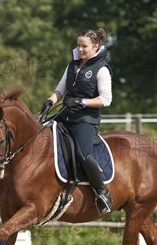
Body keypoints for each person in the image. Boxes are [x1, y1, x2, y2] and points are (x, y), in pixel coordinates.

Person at [41, 28, 113, 215]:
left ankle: (102, 192)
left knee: (82, 154)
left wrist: (82, 101)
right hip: (65, 114)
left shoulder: (102, 69)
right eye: (78, 45)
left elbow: (106, 100)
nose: (80, 49)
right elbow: (60, 89)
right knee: (41, 136)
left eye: (84, 46)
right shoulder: (72, 65)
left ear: (95, 47)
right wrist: (50, 100)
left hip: (85, 120)